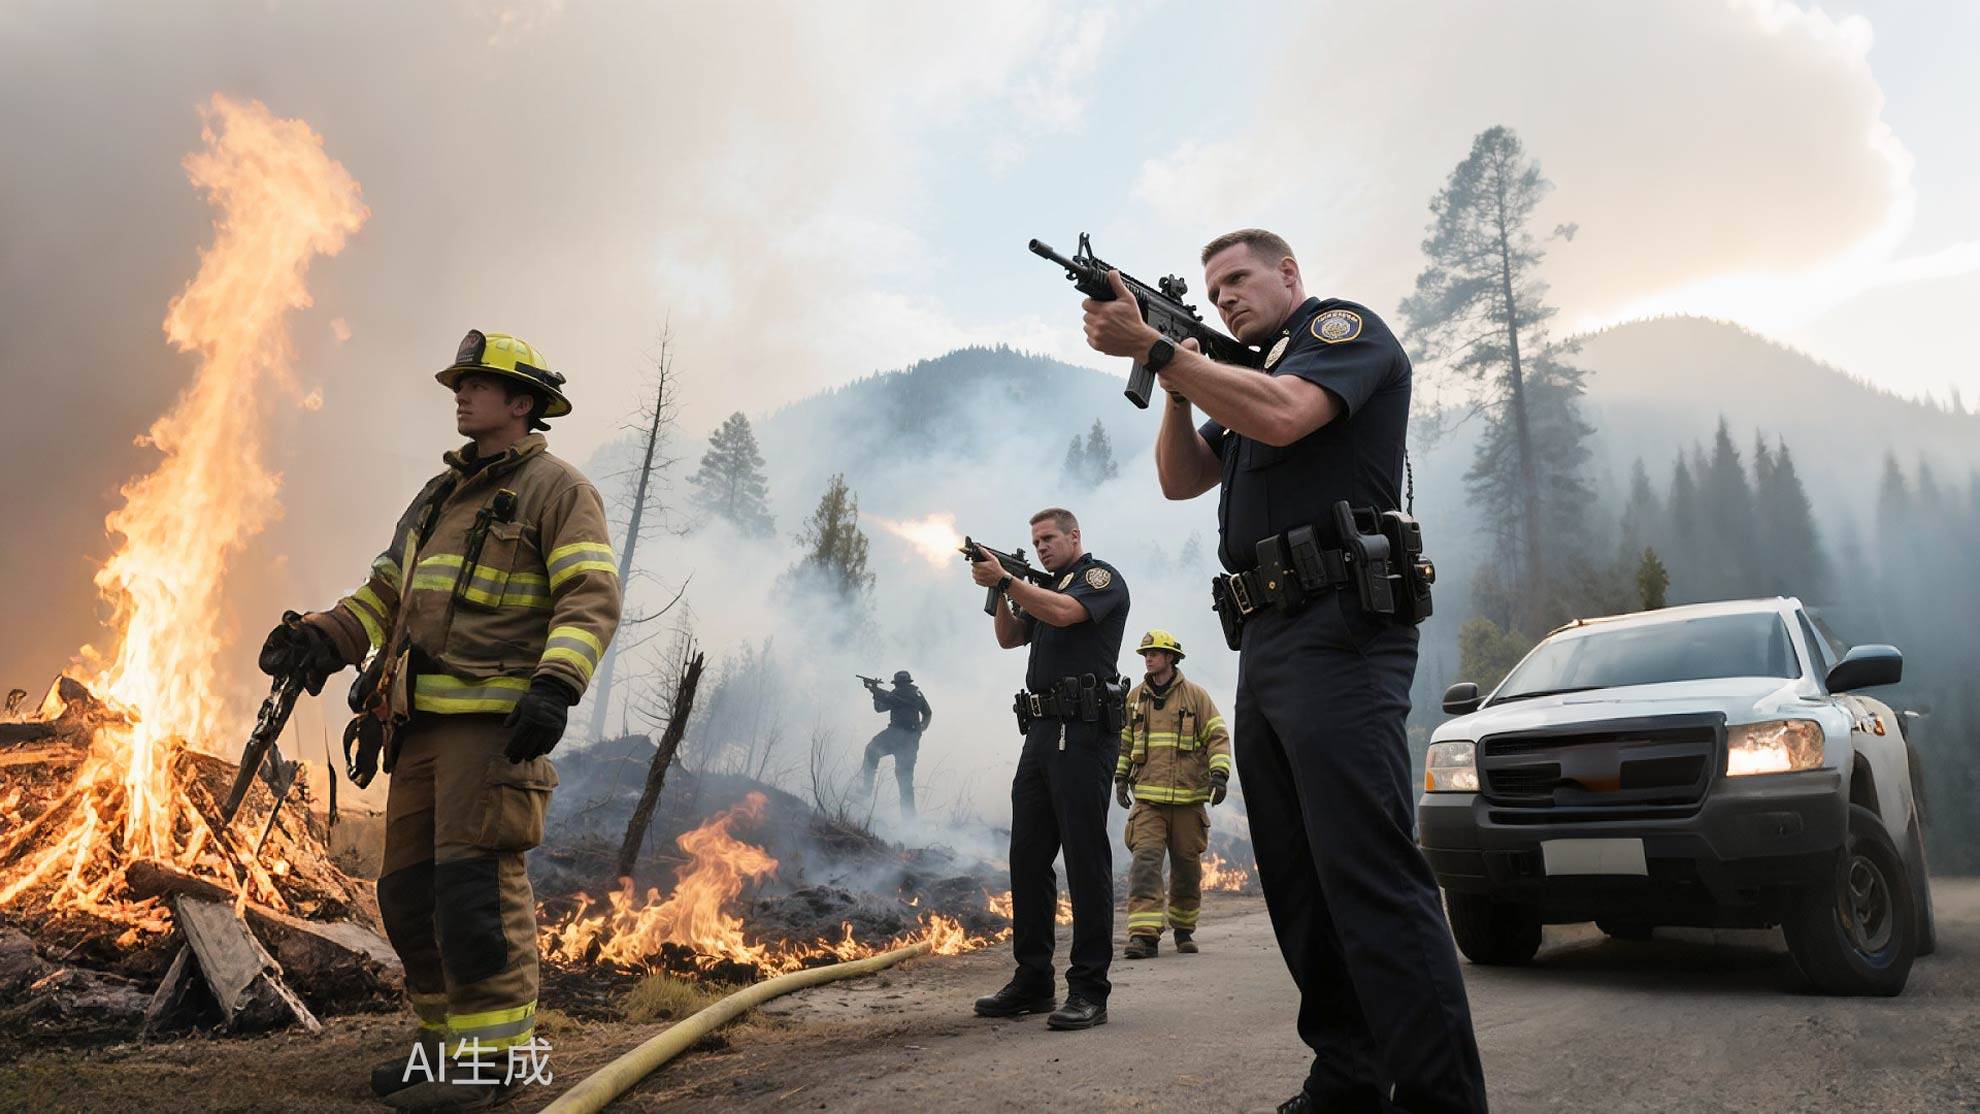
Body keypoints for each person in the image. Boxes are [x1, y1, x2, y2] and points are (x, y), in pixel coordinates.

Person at [1080, 230, 1488, 1113]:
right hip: (1267, 639)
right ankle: (1345, 1078)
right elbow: (1181, 479)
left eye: (1238, 279)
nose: (1225, 297)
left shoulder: (1340, 336)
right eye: (1211, 289)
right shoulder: (1246, 373)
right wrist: (1176, 373)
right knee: (1299, 881)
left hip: (1343, 627)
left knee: (1368, 873)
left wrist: (1156, 347)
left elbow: (1284, 415)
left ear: (1289, 274)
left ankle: (1441, 1098)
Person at [258, 330, 621, 1110]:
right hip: (415, 729)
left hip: (494, 730)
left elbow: (589, 596)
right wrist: (323, 635)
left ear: (520, 402)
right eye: (459, 383)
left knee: (475, 892)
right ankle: (441, 1052)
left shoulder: (558, 491)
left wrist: (556, 685)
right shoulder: (437, 497)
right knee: (407, 896)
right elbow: (385, 592)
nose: (460, 394)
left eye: (477, 383)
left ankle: (496, 1065)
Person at [966, 507, 1129, 1031]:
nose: (1041, 547)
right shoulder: (1041, 586)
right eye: (1034, 542)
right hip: (1040, 733)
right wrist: (999, 593)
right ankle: (1032, 980)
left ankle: (1088, 990)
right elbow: (1011, 638)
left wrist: (1011, 578)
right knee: (1027, 857)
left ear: (1074, 535)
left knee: (1084, 860)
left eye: (1049, 538)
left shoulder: (1097, 579)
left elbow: (1063, 614)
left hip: (1083, 732)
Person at [1114, 629, 1230, 958]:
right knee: (1145, 863)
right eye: (1145, 654)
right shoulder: (1135, 698)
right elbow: (1125, 742)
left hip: (1188, 801)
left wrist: (1219, 775)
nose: (1148, 658)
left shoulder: (1196, 697)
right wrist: (1120, 777)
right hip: (1148, 801)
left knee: (1186, 868)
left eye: (1154, 653)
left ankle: (1183, 929)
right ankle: (1144, 936)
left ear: (1170, 658)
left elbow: (1218, 737)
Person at [860, 669, 933, 820]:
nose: (901, 687)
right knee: (905, 781)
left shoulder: (907, 693)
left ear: (900, 683)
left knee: (872, 750)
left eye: (900, 685)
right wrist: (920, 730)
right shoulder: (912, 694)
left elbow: (890, 697)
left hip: (897, 736)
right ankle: (909, 822)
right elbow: (880, 708)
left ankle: (867, 790)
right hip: (906, 740)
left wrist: (874, 689)